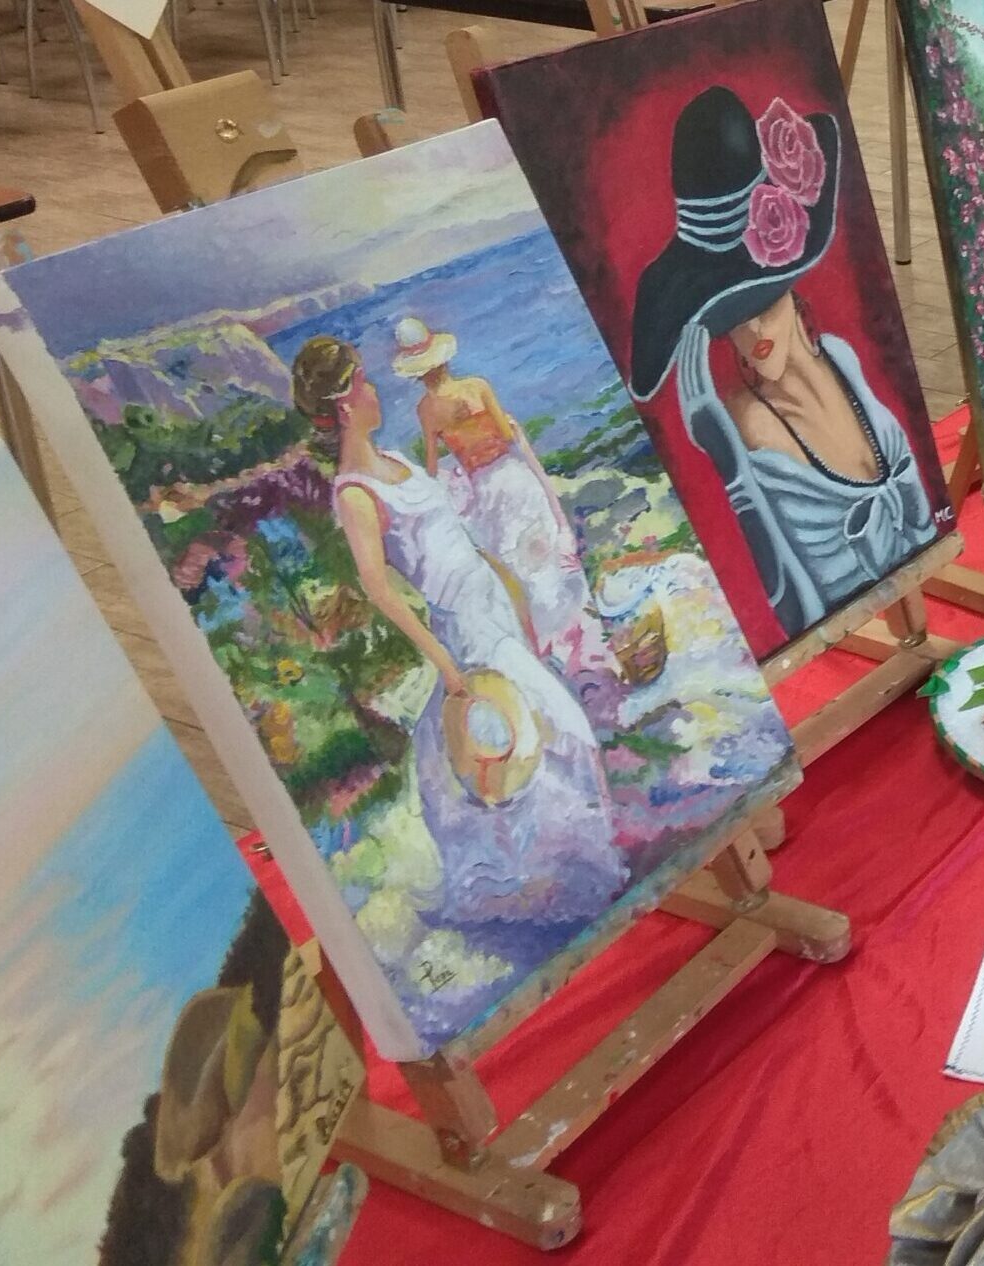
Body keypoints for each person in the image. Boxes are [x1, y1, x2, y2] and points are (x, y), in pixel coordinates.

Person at [290, 335, 625, 927]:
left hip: (492, 600)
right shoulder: (356, 493)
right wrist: (445, 665)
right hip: (466, 629)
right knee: (565, 729)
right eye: (364, 383)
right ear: (344, 404)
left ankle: (571, 866)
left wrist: (514, 592)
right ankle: (595, 869)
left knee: (538, 733)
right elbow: (380, 589)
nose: (375, 391)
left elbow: (460, 536)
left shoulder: (394, 459)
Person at [627, 86, 939, 639]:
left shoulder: (841, 358)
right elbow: (797, 615)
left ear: (793, 287)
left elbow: (922, 522)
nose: (751, 333)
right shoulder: (749, 425)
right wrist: (729, 463)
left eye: (762, 303)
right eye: (731, 318)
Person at [390, 316, 616, 681]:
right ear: (443, 359)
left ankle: (556, 658)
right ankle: (590, 644)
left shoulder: (426, 411)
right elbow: (509, 437)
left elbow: (431, 467)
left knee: (519, 572)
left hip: (487, 492)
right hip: (515, 479)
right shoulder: (477, 386)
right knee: (551, 560)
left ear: (417, 374)